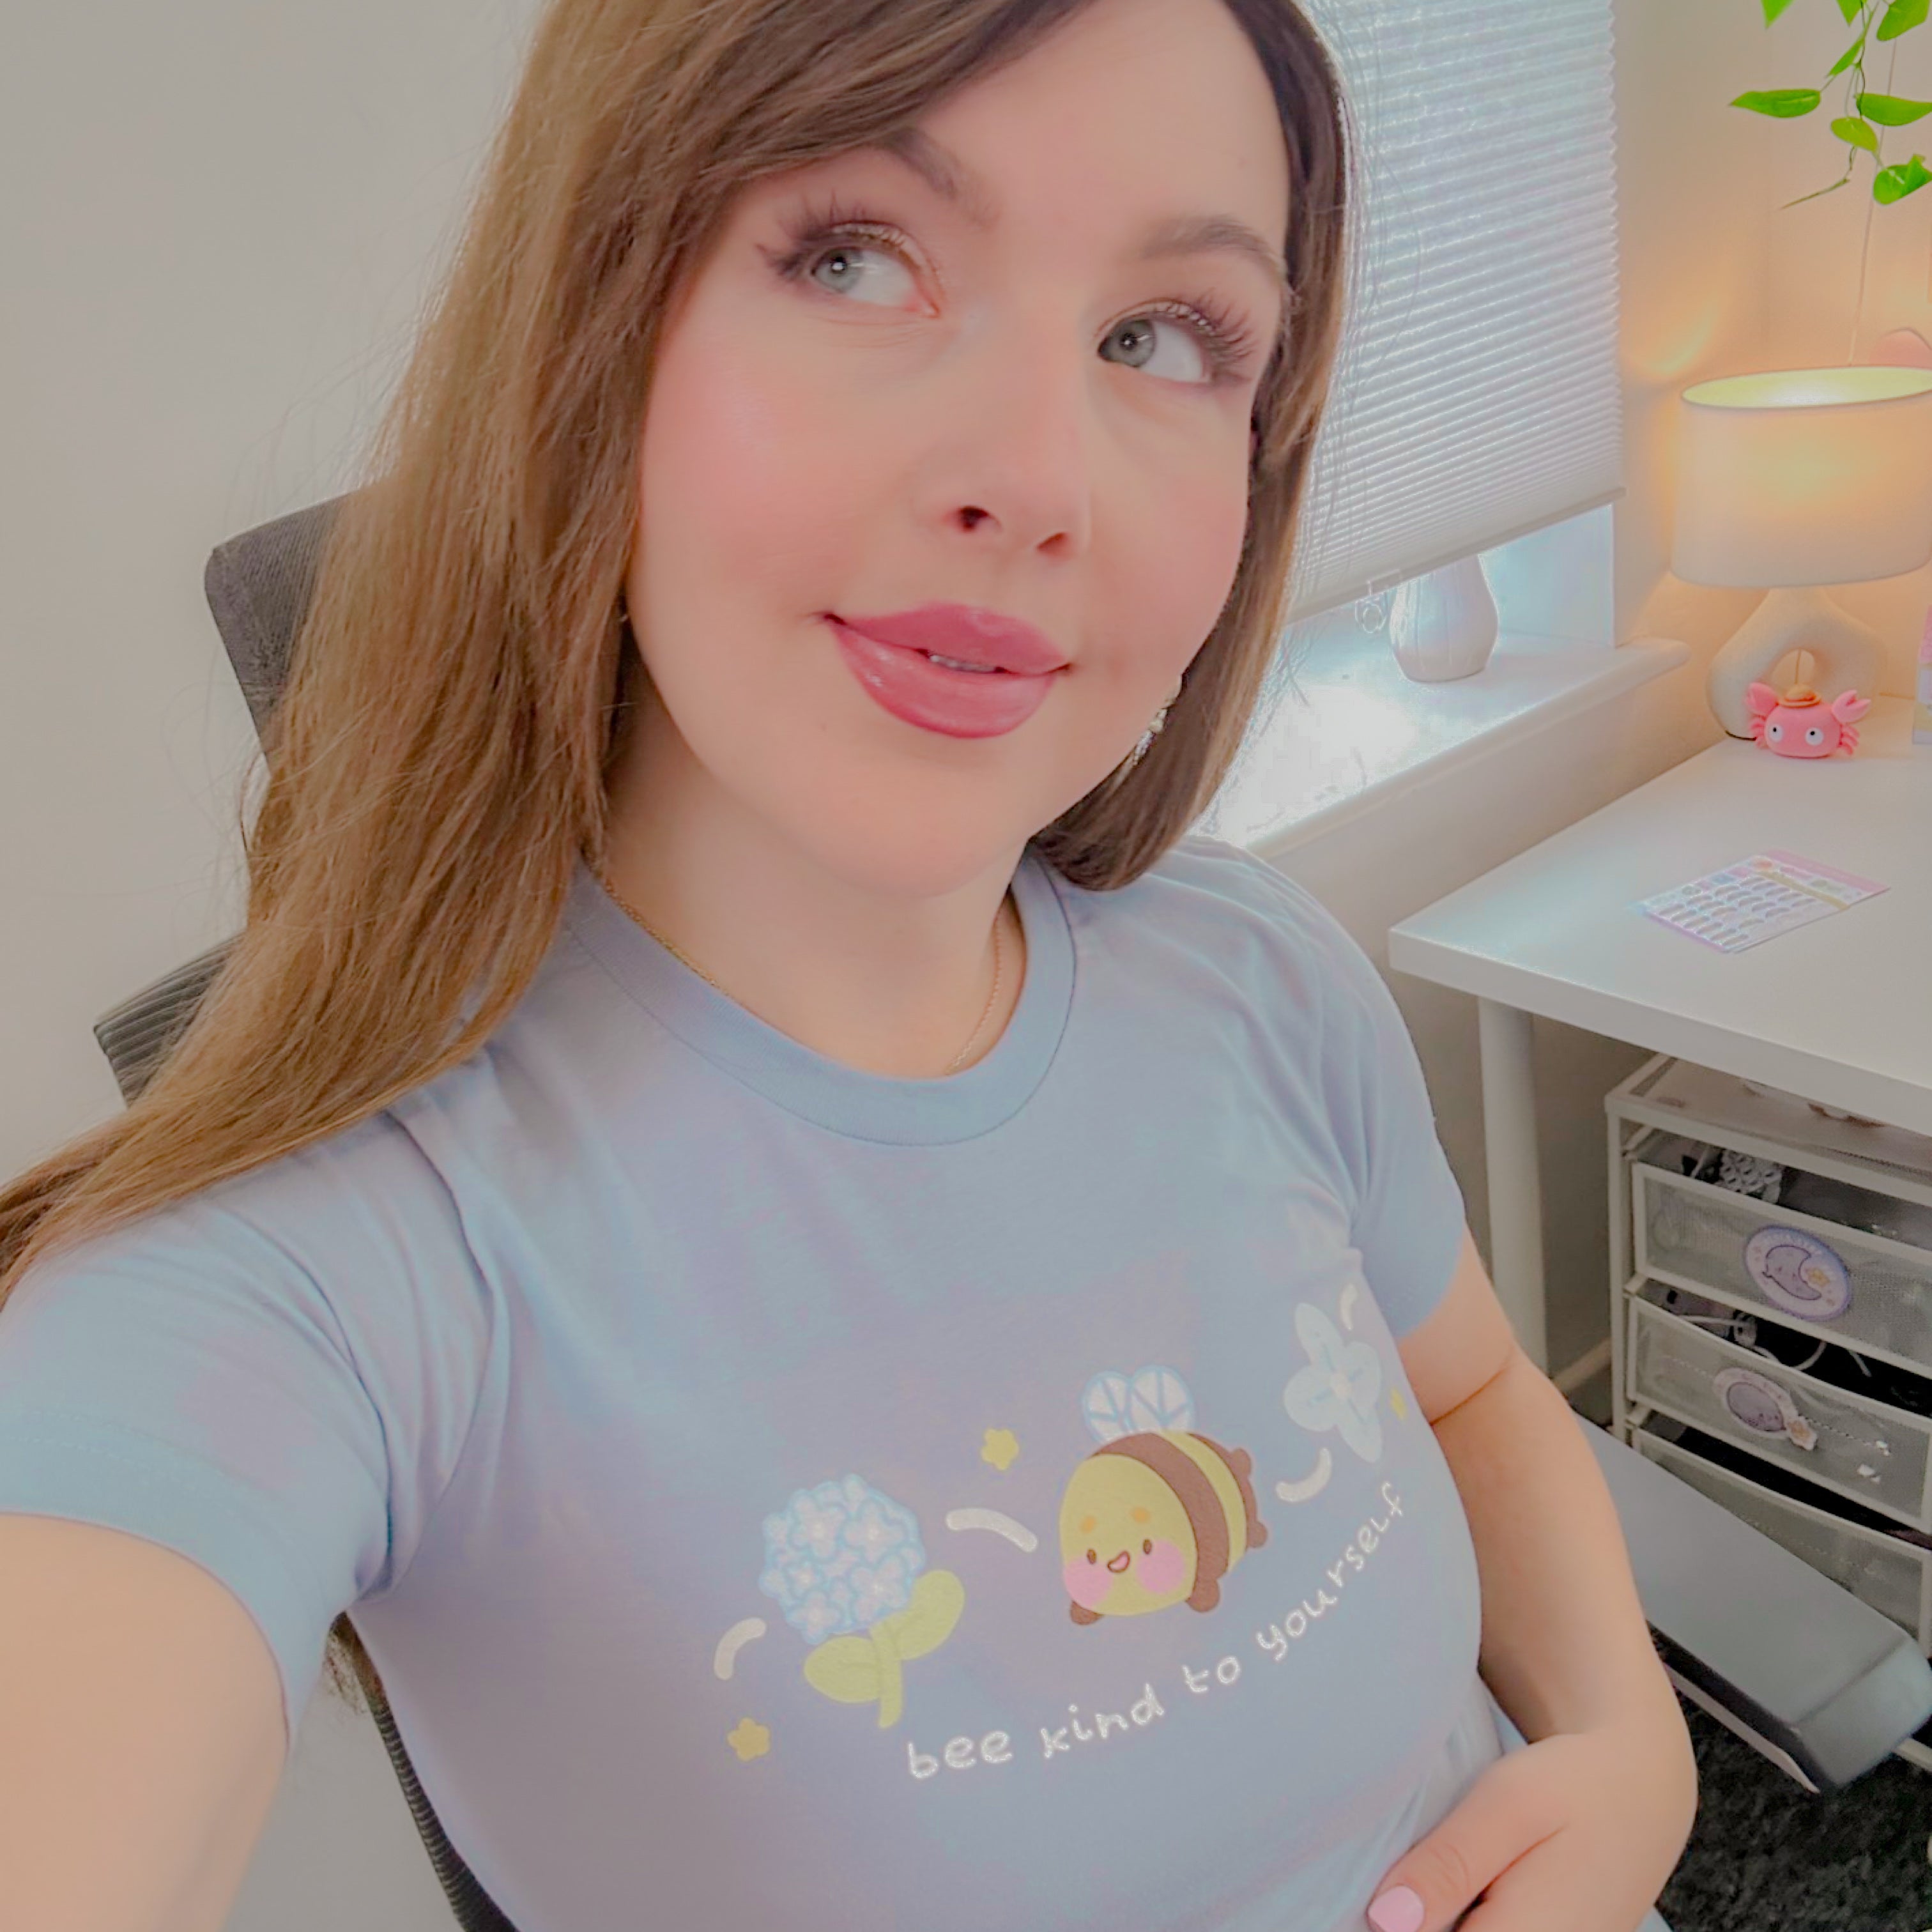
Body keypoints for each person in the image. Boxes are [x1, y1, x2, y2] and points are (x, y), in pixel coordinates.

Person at [0, 0, 1697, 1927]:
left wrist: (1628, 1741)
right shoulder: (334, 1262)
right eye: (855, 258)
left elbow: (1475, 1397)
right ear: (586, 330)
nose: (1040, 479)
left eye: (1164, 336)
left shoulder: (1257, 973)